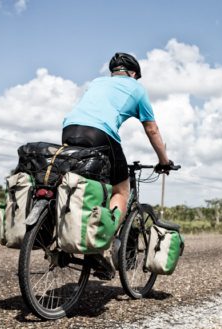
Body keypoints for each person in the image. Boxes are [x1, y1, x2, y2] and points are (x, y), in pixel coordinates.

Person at [62, 52, 172, 278]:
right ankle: (101, 248)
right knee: (120, 190)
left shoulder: (97, 82)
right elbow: (151, 129)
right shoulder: (136, 87)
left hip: (69, 130)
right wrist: (164, 161)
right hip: (100, 133)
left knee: (88, 184)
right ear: (133, 74)